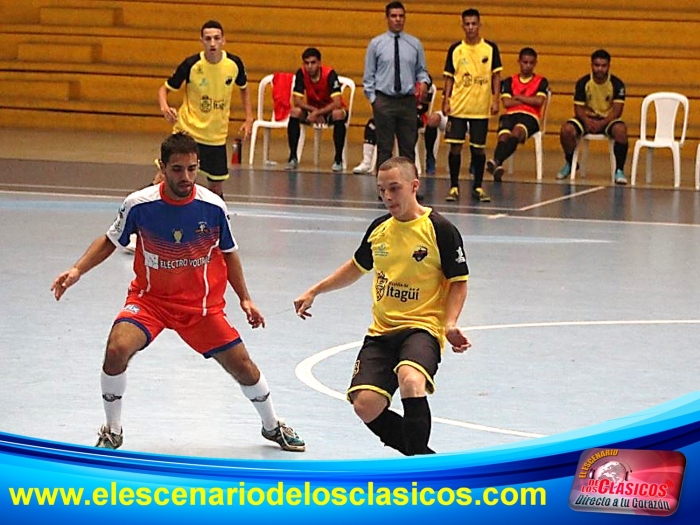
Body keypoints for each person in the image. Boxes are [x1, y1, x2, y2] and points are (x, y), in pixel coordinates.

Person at [51, 132, 305, 453]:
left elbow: (229, 252)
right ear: (162, 167)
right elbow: (109, 240)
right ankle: (112, 429)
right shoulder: (139, 205)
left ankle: (272, 426)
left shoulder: (212, 206)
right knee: (116, 350)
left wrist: (244, 298)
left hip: (200, 308)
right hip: (149, 301)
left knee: (244, 367)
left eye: (191, 169)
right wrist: (77, 270)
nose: (185, 177)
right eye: (177, 169)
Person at [294, 156, 471, 456]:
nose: (387, 196)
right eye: (381, 190)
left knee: (410, 379)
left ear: (414, 186)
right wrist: (316, 290)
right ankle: (426, 459)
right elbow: (356, 266)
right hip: (381, 332)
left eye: (394, 188)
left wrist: (450, 323)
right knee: (365, 405)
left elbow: (459, 281)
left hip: (421, 328)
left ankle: (417, 473)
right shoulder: (379, 230)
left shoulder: (440, 229)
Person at [157, 20, 254, 198]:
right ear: (201, 40)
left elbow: (244, 87)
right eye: (208, 38)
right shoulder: (191, 65)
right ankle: (142, 213)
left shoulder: (234, 64)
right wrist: (165, 107)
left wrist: (249, 118)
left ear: (224, 40)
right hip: (188, 131)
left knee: (216, 188)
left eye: (216, 38)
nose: (212, 43)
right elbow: (164, 89)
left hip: (215, 137)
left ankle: (217, 224)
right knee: (163, 180)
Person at [363, 2, 430, 175]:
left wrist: (423, 82)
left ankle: (408, 190)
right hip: (384, 100)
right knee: (384, 148)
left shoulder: (415, 44)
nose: (397, 20)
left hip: (407, 102)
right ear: (387, 18)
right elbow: (369, 76)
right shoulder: (376, 44)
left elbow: (422, 70)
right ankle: (384, 189)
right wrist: (374, 100)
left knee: (408, 148)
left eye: (401, 16)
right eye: (393, 16)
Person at [443, 8, 502, 203]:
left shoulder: (490, 49)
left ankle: (477, 186)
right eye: (467, 24)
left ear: (479, 25)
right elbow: (449, 78)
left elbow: (496, 76)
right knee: (455, 148)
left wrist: (495, 99)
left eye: (473, 24)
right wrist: (446, 100)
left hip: (480, 108)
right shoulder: (455, 50)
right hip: (459, 107)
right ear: (462, 26)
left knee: (478, 149)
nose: (470, 27)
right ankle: (453, 186)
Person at [557, 49, 628, 185]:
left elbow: (617, 111)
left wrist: (601, 124)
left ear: (608, 66)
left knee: (621, 131)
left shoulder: (617, 84)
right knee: (566, 130)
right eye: (597, 65)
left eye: (603, 66)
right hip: (587, 119)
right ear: (591, 65)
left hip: (607, 120)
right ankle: (570, 162)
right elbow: (578, 108)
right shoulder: (583, 83)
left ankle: (619, 170)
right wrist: (587, 121)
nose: (600, 69)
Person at [353, 77, 447, 175]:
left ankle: (410, 165)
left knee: (408, 125)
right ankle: (367, 161)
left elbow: (423, 106)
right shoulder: (396, 78)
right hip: (393, 112)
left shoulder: (425, 80)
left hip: (415, 114)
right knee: (372, 124)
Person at [486, 47, 549, 182]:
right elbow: (507, 103)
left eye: (531, 63)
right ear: (519, 62)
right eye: (525, 62)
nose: (527, 66)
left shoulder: (541, 81)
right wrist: (528, 99)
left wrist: (519, 97)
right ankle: (497, 165)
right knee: (503, 136)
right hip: (510, 114)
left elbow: (538, 101)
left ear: (535, 63)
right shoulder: (510, 81)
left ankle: (496, 161)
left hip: (530, 116)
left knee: (517, 132)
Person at [285, 47, 348, 172]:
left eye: (313, 63)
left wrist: (318, 113)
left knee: (338, 114)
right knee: (295, 112)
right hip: (313, 109)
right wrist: (313, 111)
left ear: (319, 63)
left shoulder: (329, 74)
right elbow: (297, 100)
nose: (310, 66)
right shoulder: (301, 74)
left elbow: (337, 103)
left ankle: (338, 159)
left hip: (329, 109)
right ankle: (292, 157)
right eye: (306, 63)